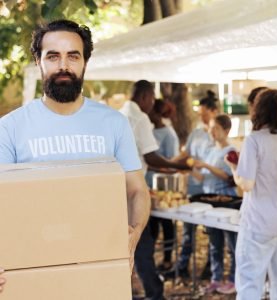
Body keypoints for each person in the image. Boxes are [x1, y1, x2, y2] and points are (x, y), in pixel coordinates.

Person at [0, 19, 150, 291]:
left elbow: (137, 190)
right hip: (30, 272)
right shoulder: (10, 127)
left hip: (98, 269)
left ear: (85, 63)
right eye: (53, 56)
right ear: (39, 62)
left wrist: (134, 234)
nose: (63, 66)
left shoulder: (114, 123)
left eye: (73, 56)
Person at [225, 88, 277, 299]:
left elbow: (246, 184)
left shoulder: (254, 140)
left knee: (250, 284)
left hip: (258, 224)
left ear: (259, 110)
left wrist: (233, 169)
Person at [120, 80, 190, 300]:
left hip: (117, 188)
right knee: (142, 243)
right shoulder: (139, 118)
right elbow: (150, 156)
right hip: (134, 189)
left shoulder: (118, 114)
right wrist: (181, 166)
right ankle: (154, 292)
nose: (152, 104)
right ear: (145, 96)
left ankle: (126, 291)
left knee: (125, 243)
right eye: (151, 98)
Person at [166, 90, 218, 279]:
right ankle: (181, 267)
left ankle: (211, 269)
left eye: (204, 113)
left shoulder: (217, 132)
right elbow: (186, 154)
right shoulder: (196, 132)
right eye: (200, 113)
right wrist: (167, 164)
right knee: (187, 230)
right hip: (193, 187)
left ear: (213, 111)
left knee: (212, 232)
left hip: (210, 189)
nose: (201, 116)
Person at [193, 114, 237, 294]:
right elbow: (203, 177)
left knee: (232, 244)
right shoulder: (210, 150)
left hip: (227, 201)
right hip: (208, 201)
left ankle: (234, 279)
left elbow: (230, 178)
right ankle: (216, 278)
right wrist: (192, 169)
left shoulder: (232, 151)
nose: (212, 132)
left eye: (216, 128)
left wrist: (207, 166)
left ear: (226, 131)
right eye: (210, 128)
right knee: (214, 243)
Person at [146, 99, 180, 271]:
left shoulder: (169, 134)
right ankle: (150, 260)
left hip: (164, 187)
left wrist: (151, 165)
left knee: (166, 224)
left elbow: (172, 163)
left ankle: (168, 259)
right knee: (151, 224)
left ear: (158, 114)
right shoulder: (149, 130)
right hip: (148, 185)